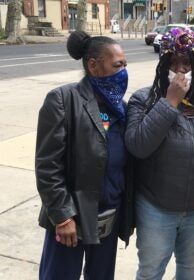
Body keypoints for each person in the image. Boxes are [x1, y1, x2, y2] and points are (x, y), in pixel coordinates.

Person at [125, 28, 194, 280]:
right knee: (151, 270)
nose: (181, 70)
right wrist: (170, 102)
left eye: (187, 63)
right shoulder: (143, 99)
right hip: (156, 208)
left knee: (190, 266)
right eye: (173, 63)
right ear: (162, 65)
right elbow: (137, 146)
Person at [35, 31, 134, 280]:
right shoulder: (63, 100)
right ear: (93, 66)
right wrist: (62, 215)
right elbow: (48, 167)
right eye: (117, 65)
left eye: (125, 65)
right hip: (72, 217)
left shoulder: (121, 108)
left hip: (108, 215)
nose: (124, 72)